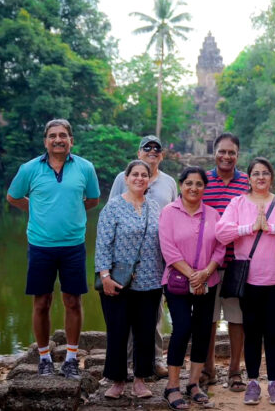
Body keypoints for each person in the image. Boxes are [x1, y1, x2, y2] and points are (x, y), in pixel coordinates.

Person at [7, 119, 100, 379]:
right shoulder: (29, 169)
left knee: (72, 300)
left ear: (71, 140)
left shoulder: (85, 168)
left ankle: (71, 358)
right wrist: (36, 211)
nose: (57, 139)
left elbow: (92, 199)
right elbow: (13, 197)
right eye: (52, 136)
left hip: (73, 245)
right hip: (40, 245)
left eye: (63, 135)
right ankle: (44, 357)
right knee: (41, 302)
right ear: (45, 140)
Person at [216, 157, 275, 406]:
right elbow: (221, 233)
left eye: (265, 173)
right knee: (252, 332)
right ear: (248, 177)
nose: (260, 178)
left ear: (271, 177)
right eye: (256, 173)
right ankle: (254, 381)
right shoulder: (237, 203)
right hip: (249, 280)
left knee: (274, 333)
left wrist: (271, 227)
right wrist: (250, 227)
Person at [95, 160, 163, 399]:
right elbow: (102, 243)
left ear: (149, 180)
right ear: (126, 178)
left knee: (145, 332)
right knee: (117, 331)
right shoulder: (113, 207)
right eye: (135, 174)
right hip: (117, 281)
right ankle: (117, 380)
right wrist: (104, 276)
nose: (139, 178)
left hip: (151, 281)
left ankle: (141, 380)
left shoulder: (155, 208)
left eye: (144, 175)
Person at [159, 166, 226, 409]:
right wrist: (192, 276)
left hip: (208, 281)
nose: (193, 188)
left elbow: (220, 247)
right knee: (182, 328)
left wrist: (206, 273)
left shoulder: (213, 214)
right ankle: (172, 385)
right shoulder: (168, 212)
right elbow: (167, 248)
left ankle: (194, 383)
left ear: (204, 188)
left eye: (199, 184)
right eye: (189, 183)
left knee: (202, 331)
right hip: (177, 282)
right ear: (181, 185)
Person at [109, 134, 176, 377]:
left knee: (153, 314)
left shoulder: (169, 182)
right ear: (139, 153)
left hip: (156, 259)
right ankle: (125, 364)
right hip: (124, 260)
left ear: (162, 155)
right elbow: (111, 214)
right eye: (146, 148)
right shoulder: (123, 177)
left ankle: (154, 360)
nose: (151, 151)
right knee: (124, 316)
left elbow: (175, 217)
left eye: (156, 148)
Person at [201, 133, 249, 392]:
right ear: (214, 152)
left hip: (237, 262)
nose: (226, 156)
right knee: (207, 318)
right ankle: (207, 369)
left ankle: (234, 370)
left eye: (231, 152)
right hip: (207, 262)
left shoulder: (247, 182)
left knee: (236, 318)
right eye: (222, 151)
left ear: (237, 155)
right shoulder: (204, 180)